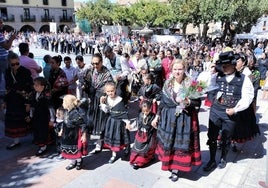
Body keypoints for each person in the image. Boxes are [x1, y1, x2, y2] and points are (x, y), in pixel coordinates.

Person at [203, 51, 254, 172]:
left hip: (230, 113)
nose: (223, 67)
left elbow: (248, 97)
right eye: (222, 65)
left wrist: (236, 109)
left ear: (233, 64)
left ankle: (223, 158)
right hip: (215, 111)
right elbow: (207, 87)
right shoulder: (217, 76)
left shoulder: (243, 79)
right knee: (212, 137)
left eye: (226, 65)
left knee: (226, 138)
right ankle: (211, 160)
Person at [151, 59, 202, 182]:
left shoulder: (193, 83)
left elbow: (198, 102)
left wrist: (187, 101)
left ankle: (175, 169)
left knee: (179, 144)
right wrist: (157, 116)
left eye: (180, 69)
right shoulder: (167, 83)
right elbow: (163, 102)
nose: (177, 72)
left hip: (185, 119)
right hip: (168, 117)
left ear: (185, 69)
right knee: (170, 142)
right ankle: (169, 162)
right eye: (175, 69)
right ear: (171, 69)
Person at [4, 52, 33, 149]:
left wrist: (28, 102)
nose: (15, 66)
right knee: (13, 121)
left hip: (23, 99)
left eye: (17, 63)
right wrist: (4, 101)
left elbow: (30, 87)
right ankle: (16, 141)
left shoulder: (25, 72)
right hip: (12, 99)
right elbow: (7, 87)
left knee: (26, 119)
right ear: (9, 63)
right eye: (13, 64)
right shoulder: (7, 72)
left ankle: (36, 139)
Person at [100, 82, 131, 163]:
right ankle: (113, 155)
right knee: (113, 140)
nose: (110, 93)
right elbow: (106, 111)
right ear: (105, 91)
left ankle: (127, 148)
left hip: (119, 123)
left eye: (112, 91)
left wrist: (127, 122)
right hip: (111, 122)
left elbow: (123, 113)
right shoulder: (106, 99)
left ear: (115, 90)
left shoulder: (119, 100)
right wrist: (102, 103)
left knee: (122, 138)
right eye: (108, 91)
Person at [87, 53, 113, 152]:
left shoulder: (107, 73)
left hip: (102, 99)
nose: (95, 66)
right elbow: (88, 82)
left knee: (100, 121)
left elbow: (110, 87)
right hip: (93, 99)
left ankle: (100, 142)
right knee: (92, 120)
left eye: (97, 63)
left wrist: (105, 95)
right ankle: (96, 140)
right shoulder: (91, 70)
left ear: (101, 62)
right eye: (93, 63)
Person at [60, 94, 88, 170]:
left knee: (75, 150)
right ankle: (72, 162)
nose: (62, 103)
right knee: (69, 150)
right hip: (67, 134)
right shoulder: (66, 111)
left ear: (68, 103)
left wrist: (84, 135)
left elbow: (83, 124)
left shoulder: (75, 113)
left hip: (74, 134)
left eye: (64, 101)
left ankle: (79, 161)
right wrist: (61, 130)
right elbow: (64, 122)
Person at [30, 77, 55, 156]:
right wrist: (30, 115)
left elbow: (50, 108)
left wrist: (52, 119)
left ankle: (43, 147)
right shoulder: (34, 94)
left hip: (44, 116)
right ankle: (42, 144)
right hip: (37, 115)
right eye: (34, 85)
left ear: (42, 86)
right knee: (37, 129)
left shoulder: (46, 95)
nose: (34, 86)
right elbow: (32, 105)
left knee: (43, 131)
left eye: (36, 85)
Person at [129, 100, 157, 169]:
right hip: (140, 134)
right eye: (143, 111)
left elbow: (156, 126)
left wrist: (155, 125)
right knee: (137, 147)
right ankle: (135, 160)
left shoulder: (153, 116)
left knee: (147, 149)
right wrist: (131, 126)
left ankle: (140, 162)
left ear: (150, 109)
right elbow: (136, 122)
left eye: (147, 111)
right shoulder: (140, 114)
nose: (145, 112)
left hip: (149, 135)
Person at [0, 18, 17, 87]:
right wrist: (12, 39)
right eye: (0, 22)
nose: (2, 24)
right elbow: (7, 47)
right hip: (2, 59)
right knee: (6, 76)